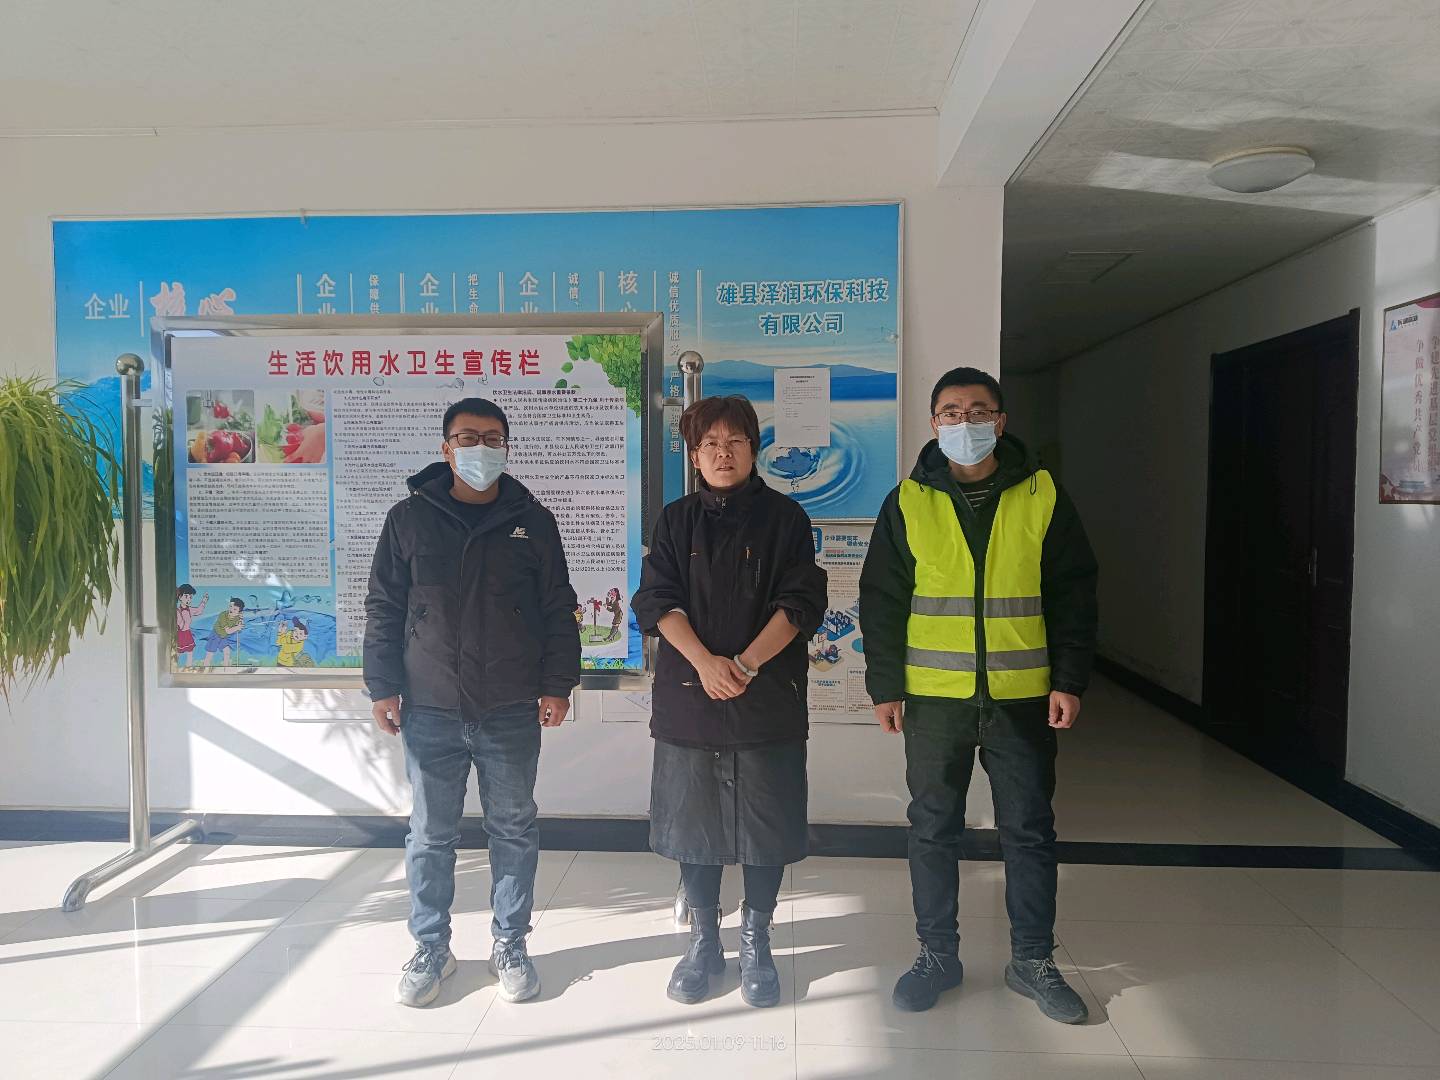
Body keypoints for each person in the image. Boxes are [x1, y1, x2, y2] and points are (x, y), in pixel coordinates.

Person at [859, 367, 1098, 1024]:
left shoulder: (1042, 494)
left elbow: (1075, 592)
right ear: (933, 423)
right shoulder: (908, 501)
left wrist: (1069, 679)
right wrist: (885, 686)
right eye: (951, 412)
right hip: (934, 699)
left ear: (1001, 419)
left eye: (977, 411)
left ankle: (1033, 960)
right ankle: (937, 955)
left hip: (1023, 696)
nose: (964, 423)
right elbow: (881, 599)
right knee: (933, 830)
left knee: (1029, 830)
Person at [364, 397, 580, 1009]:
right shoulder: (408, 519)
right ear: (445, 447)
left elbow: (557, 606)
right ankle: (431, 947)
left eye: (492, 438)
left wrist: (558, 683)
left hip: (509, 705)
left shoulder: (533, 520)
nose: (479, 448)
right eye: (467, 437)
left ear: (506, 448)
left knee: (513, 828)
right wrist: (382, 685)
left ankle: (510, 943)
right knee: (431, 834)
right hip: (429, 704)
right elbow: (384, 606)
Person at [632, 395, 827, 1009]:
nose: (723, 453)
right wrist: (705, 662)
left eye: (735, 441)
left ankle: (756, 939)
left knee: (768, 825)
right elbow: (655, 599)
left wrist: (743, 665)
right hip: (690, 698)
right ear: (694, 455)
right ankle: (704, 942)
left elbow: (801, 602)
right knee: (694, 824)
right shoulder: (675, 520)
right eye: (710, 443)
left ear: (753, 449)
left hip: (765, 696)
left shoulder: (786, 518)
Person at [202, 597, 245, 667]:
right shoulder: (223, 615)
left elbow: (240, 628)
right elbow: (228, 631)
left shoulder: (237, 617)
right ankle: (205, 667)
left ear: (239, 612)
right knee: (210, 653)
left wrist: (241, 619)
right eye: (230, 606)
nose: (231, 609)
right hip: (215, 635)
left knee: (227, 652)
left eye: (235, 609)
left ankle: (226, 667)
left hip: (223, 637)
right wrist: (237, 627)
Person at [176, 585, 207, 668]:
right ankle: (173, 667)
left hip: (187, 634)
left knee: (190, 653)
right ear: (180, 597)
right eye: (186, 596)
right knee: (177, 653)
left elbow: (199, 611)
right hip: (179, 635)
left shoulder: (190, 609)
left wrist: (204, 601)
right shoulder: (177, 611)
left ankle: (188, 668)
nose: (188, 599)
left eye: (190, 597)